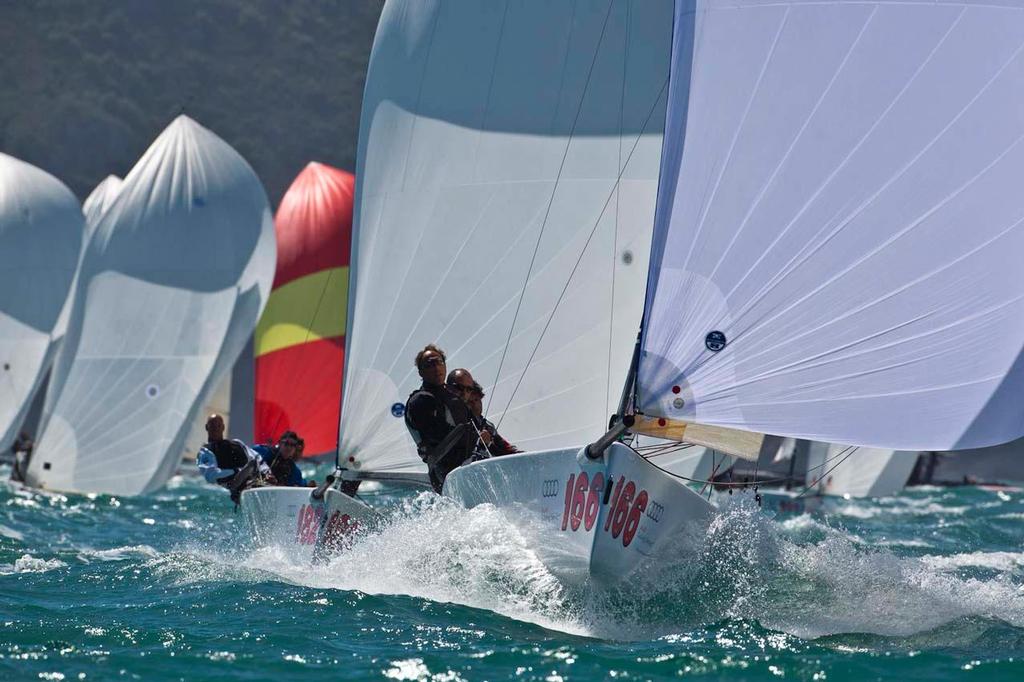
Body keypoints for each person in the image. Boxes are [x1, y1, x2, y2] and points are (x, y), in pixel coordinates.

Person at [404, 344, 474, 492]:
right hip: (446, 472)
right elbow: (439, 435)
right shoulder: (420, 401)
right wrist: (477, 437)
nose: (436, 368)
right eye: (430, 364)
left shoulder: (454, 396)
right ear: (421, 372)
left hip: (469, 464)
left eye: (439, 362)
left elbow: (477, 423)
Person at [196, 414, 273, 503]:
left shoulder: (237, 443)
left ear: (223, 427)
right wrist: (235, 471)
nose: (215, 428)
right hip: (232, 485)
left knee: (258, 466)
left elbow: (257, 458)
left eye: (218, 425)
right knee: (252, 464)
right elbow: (211, 476)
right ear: (206, 427)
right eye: (212, 425)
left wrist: (267, 473)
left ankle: (270, 486)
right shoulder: (205, 452)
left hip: (248, 479)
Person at [446, 370, 519, 458]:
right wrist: (475, 440)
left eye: (476, 400)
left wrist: (490, 443)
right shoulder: (458, 421)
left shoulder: (488, 426)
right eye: (469, 402)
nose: (474, 405)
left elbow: (507, 449)